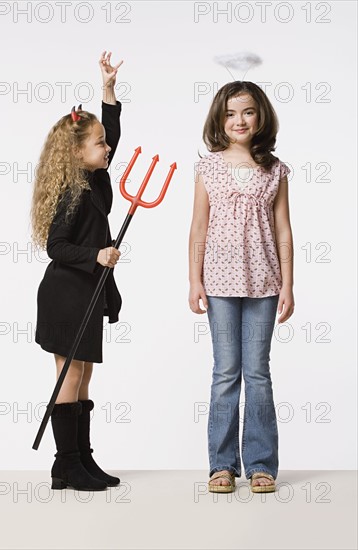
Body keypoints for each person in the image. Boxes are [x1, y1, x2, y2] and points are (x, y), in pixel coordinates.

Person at [188, 81, 295, 494]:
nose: (239, 120)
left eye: (247, 112)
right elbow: (198, 226)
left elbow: (283, 229)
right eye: (231, 113)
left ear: (260, 116)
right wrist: (194, 279)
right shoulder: (208, 167)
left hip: (266, 284)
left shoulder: (275, 169)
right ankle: (222, 464)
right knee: (225, 372)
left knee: (258, 373)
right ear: (219, 118)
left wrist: (288, 284)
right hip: (218, 283)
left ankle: (262, 464)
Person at [30, 51, 124, 491]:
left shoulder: (95, 180)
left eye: (105, 142)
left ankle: (81, 459)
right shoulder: (71, 191)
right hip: (66, 291)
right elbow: (56, 246)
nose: (107, 148)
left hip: (87, 291)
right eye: (99, 144)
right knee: (69, 374)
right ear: (76, 152)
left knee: (83, 374)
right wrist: (96, 256)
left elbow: (113, 140)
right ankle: (65, 463)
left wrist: (107, 93)